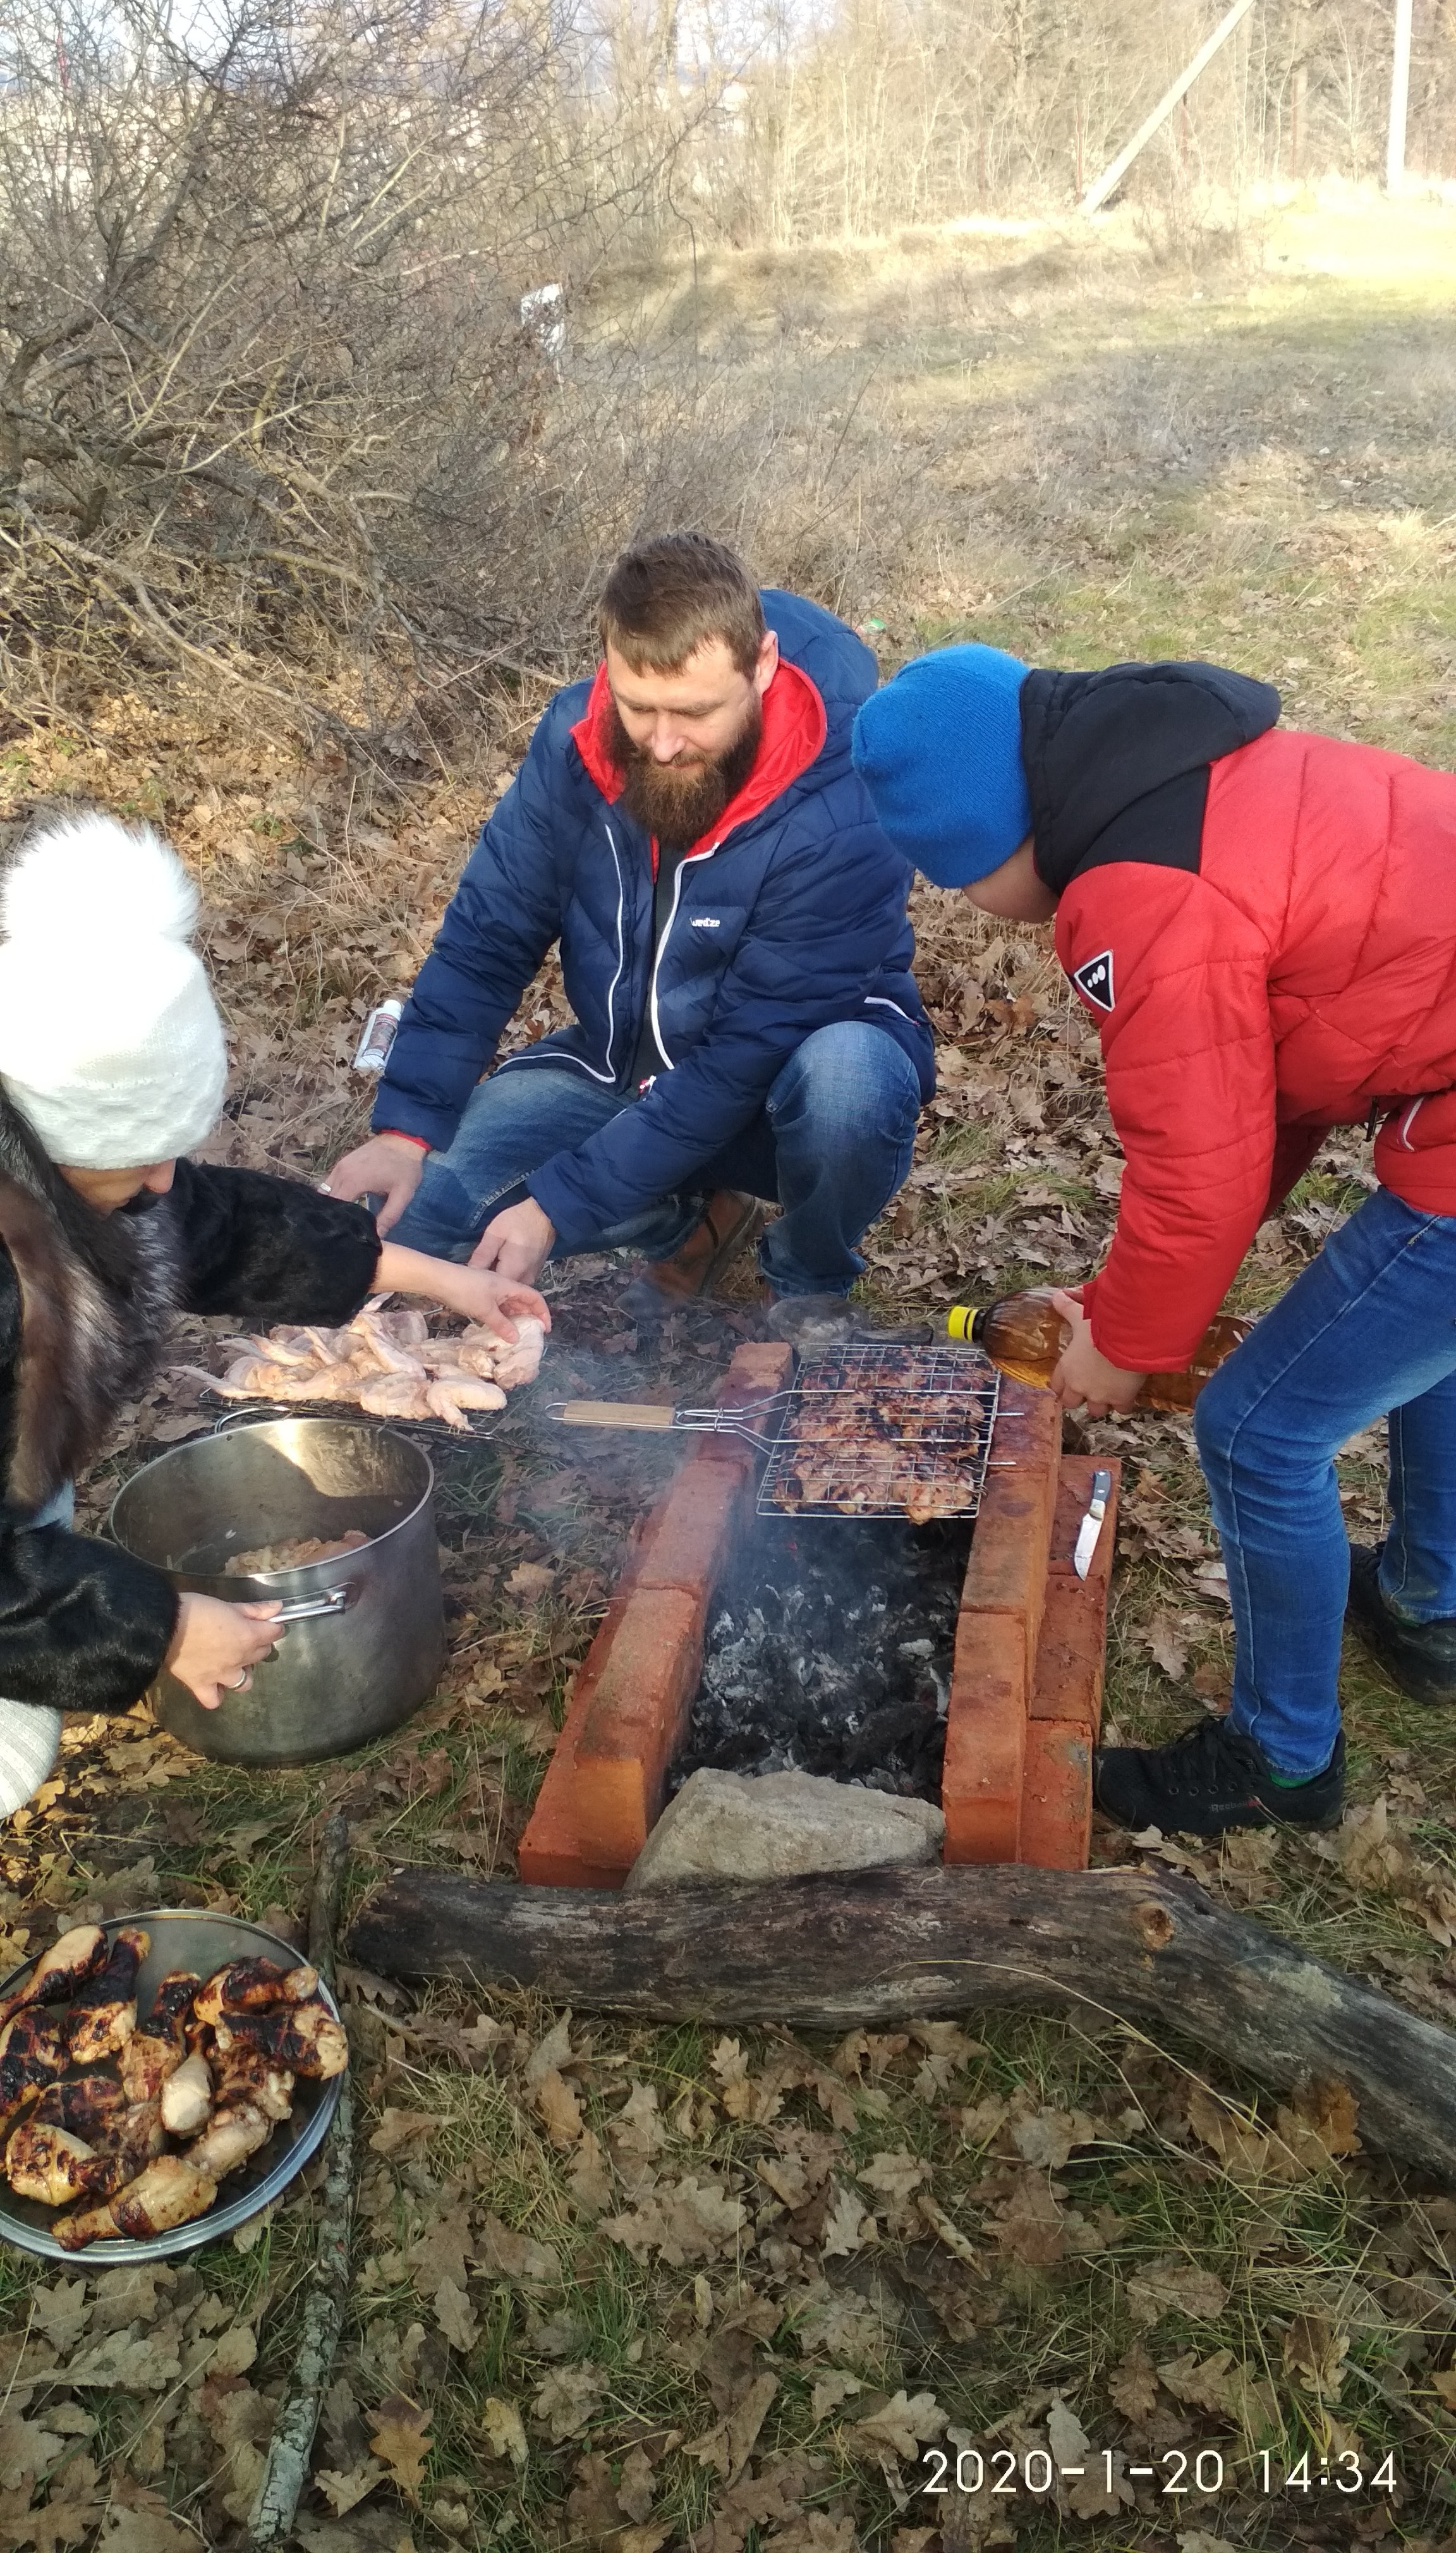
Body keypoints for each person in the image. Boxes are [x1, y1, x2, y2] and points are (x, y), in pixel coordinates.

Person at [852, 642, 1456, 1838]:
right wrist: (1118, 1294)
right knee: (1423, 1346)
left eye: (952, 877)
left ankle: (1277, 1761)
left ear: (981, 839)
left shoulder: (1136, 891)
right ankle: (1426, 1602)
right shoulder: (1180, 773)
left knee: (1255, 1429)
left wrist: (1123, 1343)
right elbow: (1248, 1106)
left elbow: (1196, 1168)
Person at [0, 809, 548, 1808]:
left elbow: (221, 1229)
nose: (167, 1176)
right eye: (137, 1155)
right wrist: (157, 1625)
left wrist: (439, 1280)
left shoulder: (54, 1164)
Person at [326, 533, 934, 1310]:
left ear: (763, 666)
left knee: (852, 1079)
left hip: (779, 1096)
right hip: (624, 1073)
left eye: (694, 712)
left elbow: (746, 1054)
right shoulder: (576, 743)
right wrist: (404, 1128)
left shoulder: (843, 795)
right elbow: (489, 934)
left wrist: (558, 1205)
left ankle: (809, 1281)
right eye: (638, 707)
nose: (664, 741)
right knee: (420, 1224)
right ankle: (682, 1225)